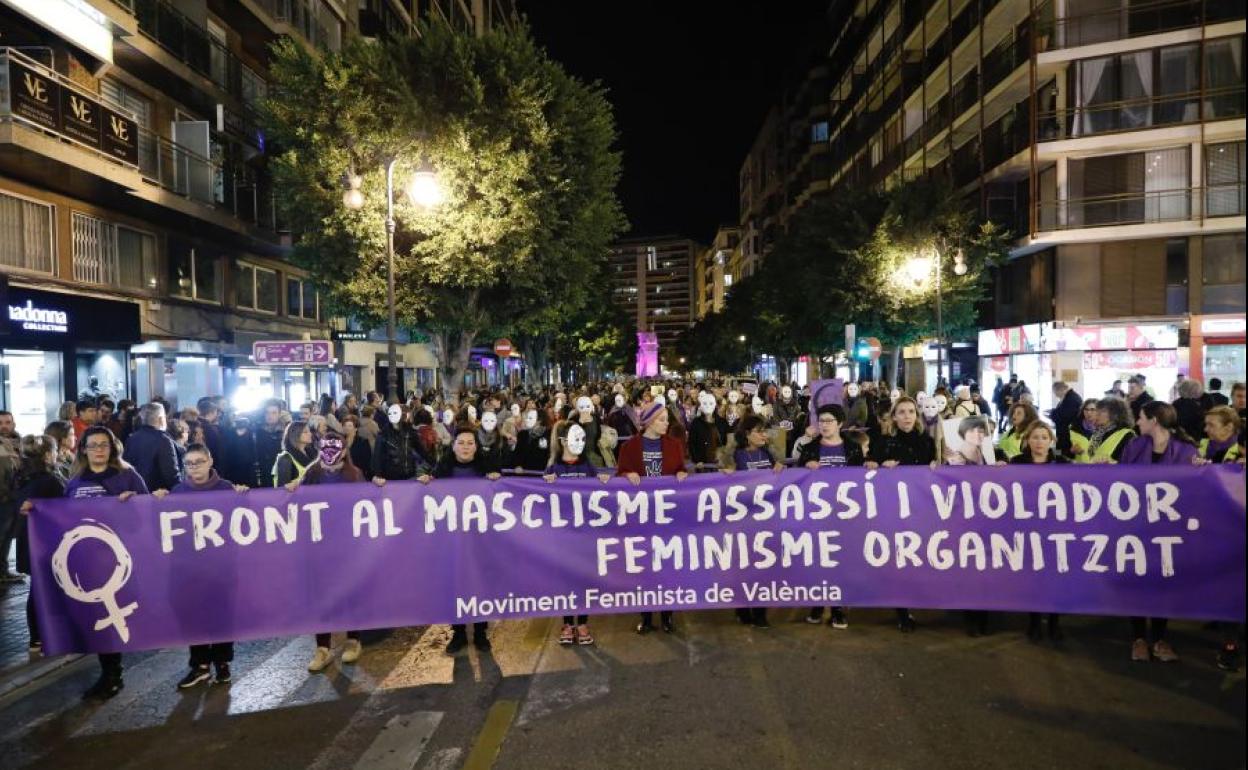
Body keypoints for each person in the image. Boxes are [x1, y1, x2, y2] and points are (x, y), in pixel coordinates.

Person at [61, 426, 148, 699]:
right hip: (86, 562)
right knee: (98, 617)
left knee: (115, 616)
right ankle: (110, 672)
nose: (98, 449)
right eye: (93, 444)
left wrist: (133, 504)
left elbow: (147, 514)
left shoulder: (127, 475)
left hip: (119, 561)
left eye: (104, 444)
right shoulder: (75, 480)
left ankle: (113, 674)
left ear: (112, 448)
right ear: (83, 449)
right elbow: (62, 515)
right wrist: (36, 511)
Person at [150, 444, 248, 687]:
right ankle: (200, 664)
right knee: (194, 615)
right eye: (189, 464)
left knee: (222, 615)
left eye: (199, 462)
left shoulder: (227, 489)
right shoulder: (177, 491)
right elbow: (161, 528)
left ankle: (222, 662)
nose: (194, 468)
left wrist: (244, 499)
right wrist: (156, 504)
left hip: (221, 568)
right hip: (188, 568)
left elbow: (246, 524)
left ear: (210, 461)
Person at [1120, 402, 1197, 662]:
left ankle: (1161, 638)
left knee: (1163, 582)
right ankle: (1139, 638)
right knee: (1138, 580)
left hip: (1168, 529)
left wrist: (1206, 470)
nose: (1137, 423)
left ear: (1154, 420)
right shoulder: (1133, 447)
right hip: (1137, 526)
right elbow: (1120, 483)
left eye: (1141, 418)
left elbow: (1194, 492)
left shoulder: (1188, 451)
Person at [419, 427, 501, 654]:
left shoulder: (486, 470)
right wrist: (426, 482)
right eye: (461, 442)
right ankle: (458, 632)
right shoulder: (442, 471)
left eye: (470, 443)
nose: (465, 447)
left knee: (480, 583)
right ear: (453, 446)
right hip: (451, 539)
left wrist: (496, 480)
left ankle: (481, 631)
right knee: (454, 584)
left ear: (476, 446)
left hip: (480, 539)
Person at [617, 402, 689, 634]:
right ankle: (646, 616)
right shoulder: (629, 447)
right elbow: (621, 474)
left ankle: (667, 615)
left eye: (667, 419)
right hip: (641, 516)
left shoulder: (674, 445)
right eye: (661, 419)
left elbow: (681, 468)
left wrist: (681, 472)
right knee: (645, 569)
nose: (667, 423)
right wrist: (628, 475)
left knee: (667, 567)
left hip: (667, 515)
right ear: (647, 422)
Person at [866, 397, 936, 632]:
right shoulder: (883, 442)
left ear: (917, 416)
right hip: (892, 508)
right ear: (894, 417)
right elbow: (867, 466)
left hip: (920, 507)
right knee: (899, 558)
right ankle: (902, 610)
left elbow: (934, 470)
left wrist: (937, 466)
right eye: (902, 412)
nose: (907, 416)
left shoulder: (927, 442)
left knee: (917, 555)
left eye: (911, 412)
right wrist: (877, 465)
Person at [795, 404, 863, 629]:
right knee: (817, 561)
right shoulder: (810, 448)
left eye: (829, 420)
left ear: (840, 424)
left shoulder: (852, 448)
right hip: (816, 516)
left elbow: (861, 482)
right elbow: (796, 479)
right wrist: (805, 466)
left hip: (844, 516)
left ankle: (837, 608)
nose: (824, 425)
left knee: (840, 562)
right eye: (821, 420)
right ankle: (816, 603)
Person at [544, 422, 612, 645]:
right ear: (563, 441)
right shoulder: (553, 469)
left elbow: (598, 491)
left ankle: (582, 623)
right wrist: (547, 485)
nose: (580, 444)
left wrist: (602, 481)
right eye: (575, 438)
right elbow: (541, 499)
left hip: (584, 535)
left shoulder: (588, 466)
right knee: (565, 580)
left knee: (583, 579)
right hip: (562, 537)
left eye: (583, 439)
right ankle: (567, 623)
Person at [724, 414, 785, 628]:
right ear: (747, 434)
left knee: (763, 567)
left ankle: (760, 612)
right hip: (742, 521)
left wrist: (780, 469)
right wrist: (726, 473)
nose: (763, 435)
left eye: (764, 431)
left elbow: (779, 481)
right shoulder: (735, 455)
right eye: (759, 431)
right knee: (743, 567)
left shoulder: (769, 453)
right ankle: (742, 607)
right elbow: (723, 483)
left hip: (765, 520)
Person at [1009, 422, 1067, 641]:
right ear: (1027, 440)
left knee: (1055, 577)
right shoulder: (1016, 463)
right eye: (1035, 437)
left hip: (1054, 529)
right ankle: (1034, 621)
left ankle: (1054, 622)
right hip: (1027, 528)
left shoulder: (1061, 463)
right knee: (1032, 578)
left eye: (1044, 437)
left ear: (1051, 440)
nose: (1039, 442)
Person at [15, 435, 66, 650]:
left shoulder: (22, 478)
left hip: (28, 540)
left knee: (36, 588)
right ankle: (46, 633)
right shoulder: (51, 481)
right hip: (46, 542)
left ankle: (36, 636)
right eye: (54, 451)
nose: (57, 455)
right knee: (44, 589)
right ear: (47, 455)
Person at [122, 403, 182, 493]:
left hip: (135, 495)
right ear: (161, 419)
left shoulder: (131, 439)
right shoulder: (163, 440)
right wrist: (181, 491)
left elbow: (125, 468)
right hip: (158, 497)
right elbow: (171, 474)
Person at [688, 391, 728, 467]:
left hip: (719, 463)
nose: (708, 406)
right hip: (701, 464)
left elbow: (726, 442)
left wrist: (723, 458)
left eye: (711, 403)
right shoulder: (696, 423)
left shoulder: (722, 422)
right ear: (701, 406)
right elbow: (692, 443)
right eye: (705, 403)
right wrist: (697, 460)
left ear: (715, 405)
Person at [273, 420, 315, 489]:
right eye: (305, 432)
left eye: (309, 431)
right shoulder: (285, 458)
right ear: (295, 435)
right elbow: (282, 487)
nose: (310, 434)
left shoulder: (312, 453)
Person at [254, 401, 286, 488]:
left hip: (282, 472)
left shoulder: (286, 431)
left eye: (274, 413)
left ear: (279, 414)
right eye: (267, 412)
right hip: (263, 471)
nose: (270, 416)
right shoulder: (257, 431)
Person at [1049, 382, 1083, 457]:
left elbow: (1063, 417)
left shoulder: (1072, 399)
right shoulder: (1068, 397)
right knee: (1059, 453)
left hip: (1067, 435)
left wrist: (1052, 414)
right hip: (1063, 434)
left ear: (1060, 389)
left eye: (1055, 392)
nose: (1055, 395)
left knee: (1064, 456)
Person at [221, 416, 258, 486]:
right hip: (235, 472)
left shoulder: (248, 434)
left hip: (245, 472)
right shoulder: (230, 435)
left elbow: (253, 453)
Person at [341, 415, 373, 479]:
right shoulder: (340, 441)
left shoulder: (363, 442)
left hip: (358, 476)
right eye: (345, 425)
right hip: (343, 476)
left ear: (356, 428)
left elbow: (367, 463)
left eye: (349, 426)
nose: (346, 428)